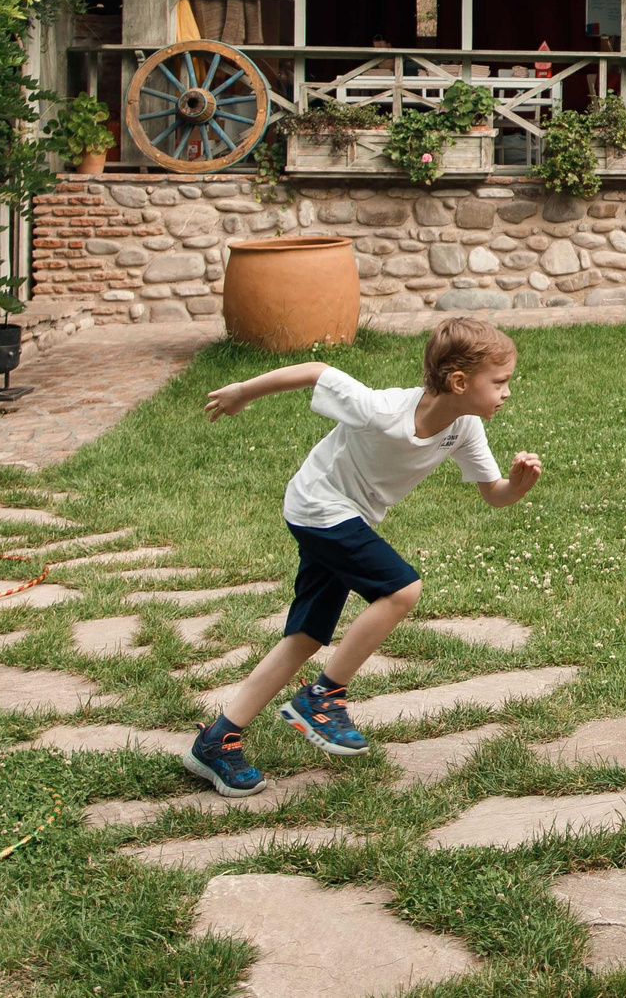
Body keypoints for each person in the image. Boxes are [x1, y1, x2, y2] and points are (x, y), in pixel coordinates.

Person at [183, 318, 542, 797]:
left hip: (344, 517)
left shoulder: (464, 428)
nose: (507, 392)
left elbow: (493, 493)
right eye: (499, 382)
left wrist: (517, 486)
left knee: (307, 637)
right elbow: (316, 371)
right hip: (318, 506)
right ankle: (323, 698)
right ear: (459, 382)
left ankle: (217, 740)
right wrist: (242, 392)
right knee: (402, 588)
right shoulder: (383, 409)